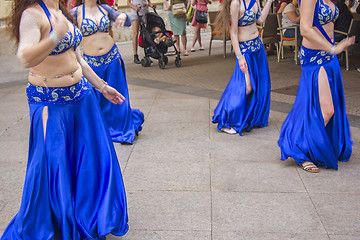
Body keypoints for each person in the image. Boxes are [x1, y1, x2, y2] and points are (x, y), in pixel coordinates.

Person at [1, 0, 129, 238]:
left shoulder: (62, 12)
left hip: (82, 98)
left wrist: (102, 87)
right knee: (53, 163)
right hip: (51, 103)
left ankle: (87, 214)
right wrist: (53, 37)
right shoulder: (33, 15)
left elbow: (78, 59)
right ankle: (55, 221)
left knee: (91, 159)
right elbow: (24, 58)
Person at [278, 0, 354, 172]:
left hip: (329, 57)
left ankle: (315, 144)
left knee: (321, 106)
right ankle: (300, 149)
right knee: (327, 110)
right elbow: (305, 29)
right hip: (315, 57)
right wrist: (332, 48)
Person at [71, 0, 144, 144]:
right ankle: (100, 130)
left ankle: (121, 128)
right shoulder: (76, 12)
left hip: (112, 58)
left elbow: (127, 21)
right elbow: (61, 31)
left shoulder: (105, 8)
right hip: (91, 64)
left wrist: (123, 16)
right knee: (97, 101)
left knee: (118, 97)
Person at [212, 0, 273, 135]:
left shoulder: (255, 1)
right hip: (245, 51)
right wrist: (240, 56)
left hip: (258, 49)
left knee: (261, 85)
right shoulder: (236, 4)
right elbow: (233, 32)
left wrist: (269, 1)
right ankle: (227, 116)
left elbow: (260, 20)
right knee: (247, 87)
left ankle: (251, 117)